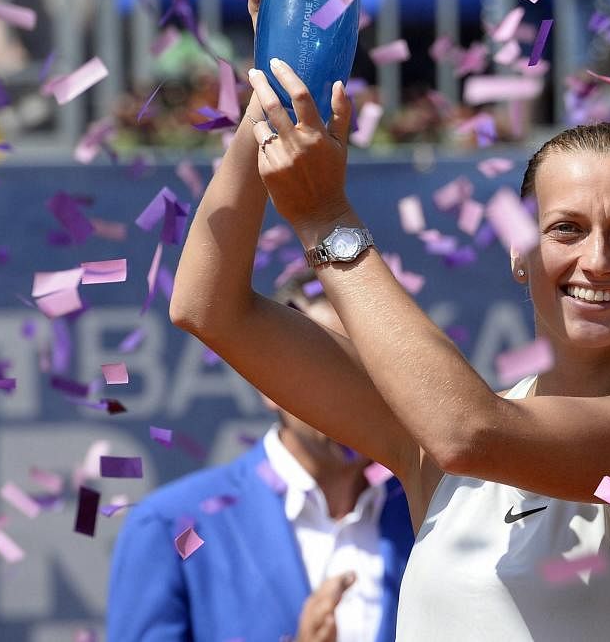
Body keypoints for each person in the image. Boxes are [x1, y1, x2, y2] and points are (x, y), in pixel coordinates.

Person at [166, 0, 610, 640]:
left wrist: (326, 220)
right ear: (519, 250)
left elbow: (472, 433)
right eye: (565, 228)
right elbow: (206, 308)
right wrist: (277, 88)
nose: (597, 259)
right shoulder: (432, 443)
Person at [106, 270, 415, 642]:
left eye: (373, 368)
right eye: (330, 367)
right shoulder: (168, 525)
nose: (357, 394)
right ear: (269, 383)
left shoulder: (430, 516)